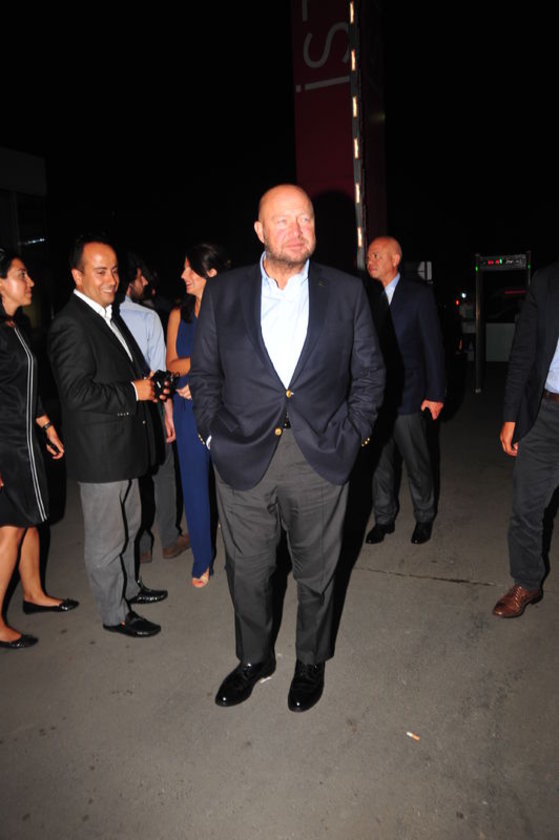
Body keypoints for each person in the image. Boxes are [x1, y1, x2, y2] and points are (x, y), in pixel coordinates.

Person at [189, 184, 385, 711]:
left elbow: (370, 374)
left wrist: (355, 434)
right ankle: (254, 659)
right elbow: (204, 375)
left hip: (319, 456)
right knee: (248, 573)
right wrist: (212, 435)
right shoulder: (223, 292)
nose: (298, 230)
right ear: (259, 230)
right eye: (283, 220)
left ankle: (311, 659)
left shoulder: (346, 291)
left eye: (306, 219)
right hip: (241, 454)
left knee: (318, 573)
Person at [47, 235, 168, 638]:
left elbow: (124, 371)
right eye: (100, 272)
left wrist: (148, 383)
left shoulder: (107, 315)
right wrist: (135, 391)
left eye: (114, 270)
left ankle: (129, 588)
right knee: (106, 539)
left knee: (130, 525)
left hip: (122, 446)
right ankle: (115, 613)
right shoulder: (71, 323)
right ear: (77, 276)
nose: (112, 279)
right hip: (100, 454)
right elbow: (76, 393)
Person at [0, 247, 78, 650]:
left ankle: (32, 593)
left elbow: (22, 390)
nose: (30, 282)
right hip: (7, 445)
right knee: (11, 528)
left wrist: (46, 425)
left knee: (29, 520)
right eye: (20, 275)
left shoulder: (15, 326)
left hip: (23, 439)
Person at [364, 236, 446, 546]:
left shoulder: (418, 296)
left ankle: (424, 516)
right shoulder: (366, 297)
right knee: (379, 463)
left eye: (376, 255)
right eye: (369, 256)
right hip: (374, 399)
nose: (370, 261)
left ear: (395, 259)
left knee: (417, 462)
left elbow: (433, 347)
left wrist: (435, 394)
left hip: (409, 396)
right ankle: (384, 518)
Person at [493, 261, 559, 617]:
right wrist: (511, 416)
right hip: (544, 412)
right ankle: (527, 581)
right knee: (526, 508)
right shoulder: (547, 282)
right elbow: (523, 352)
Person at [118, 250, 190, 564]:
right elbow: (161, 372)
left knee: (136, 478)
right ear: (133, 277)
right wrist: (169, 412)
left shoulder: (104, 318)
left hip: (121, 405)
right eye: (142, 277)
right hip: (151, 403)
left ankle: (143, 544)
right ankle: (170, 539)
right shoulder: (146, 316)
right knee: (163, 471)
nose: (145, 283)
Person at [166, 243, 231, 587]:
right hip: (187, 408)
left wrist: (205, 377)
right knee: (193, 486)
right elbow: (172, 365)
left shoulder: (232, 309)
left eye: (190, 269)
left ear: (212, 273)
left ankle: (243, 554)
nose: (183, 275)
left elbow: (241, 359)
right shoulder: (180, 314)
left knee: (233, 484)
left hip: (225, 405)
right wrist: (207, 363)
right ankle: (202, 559)